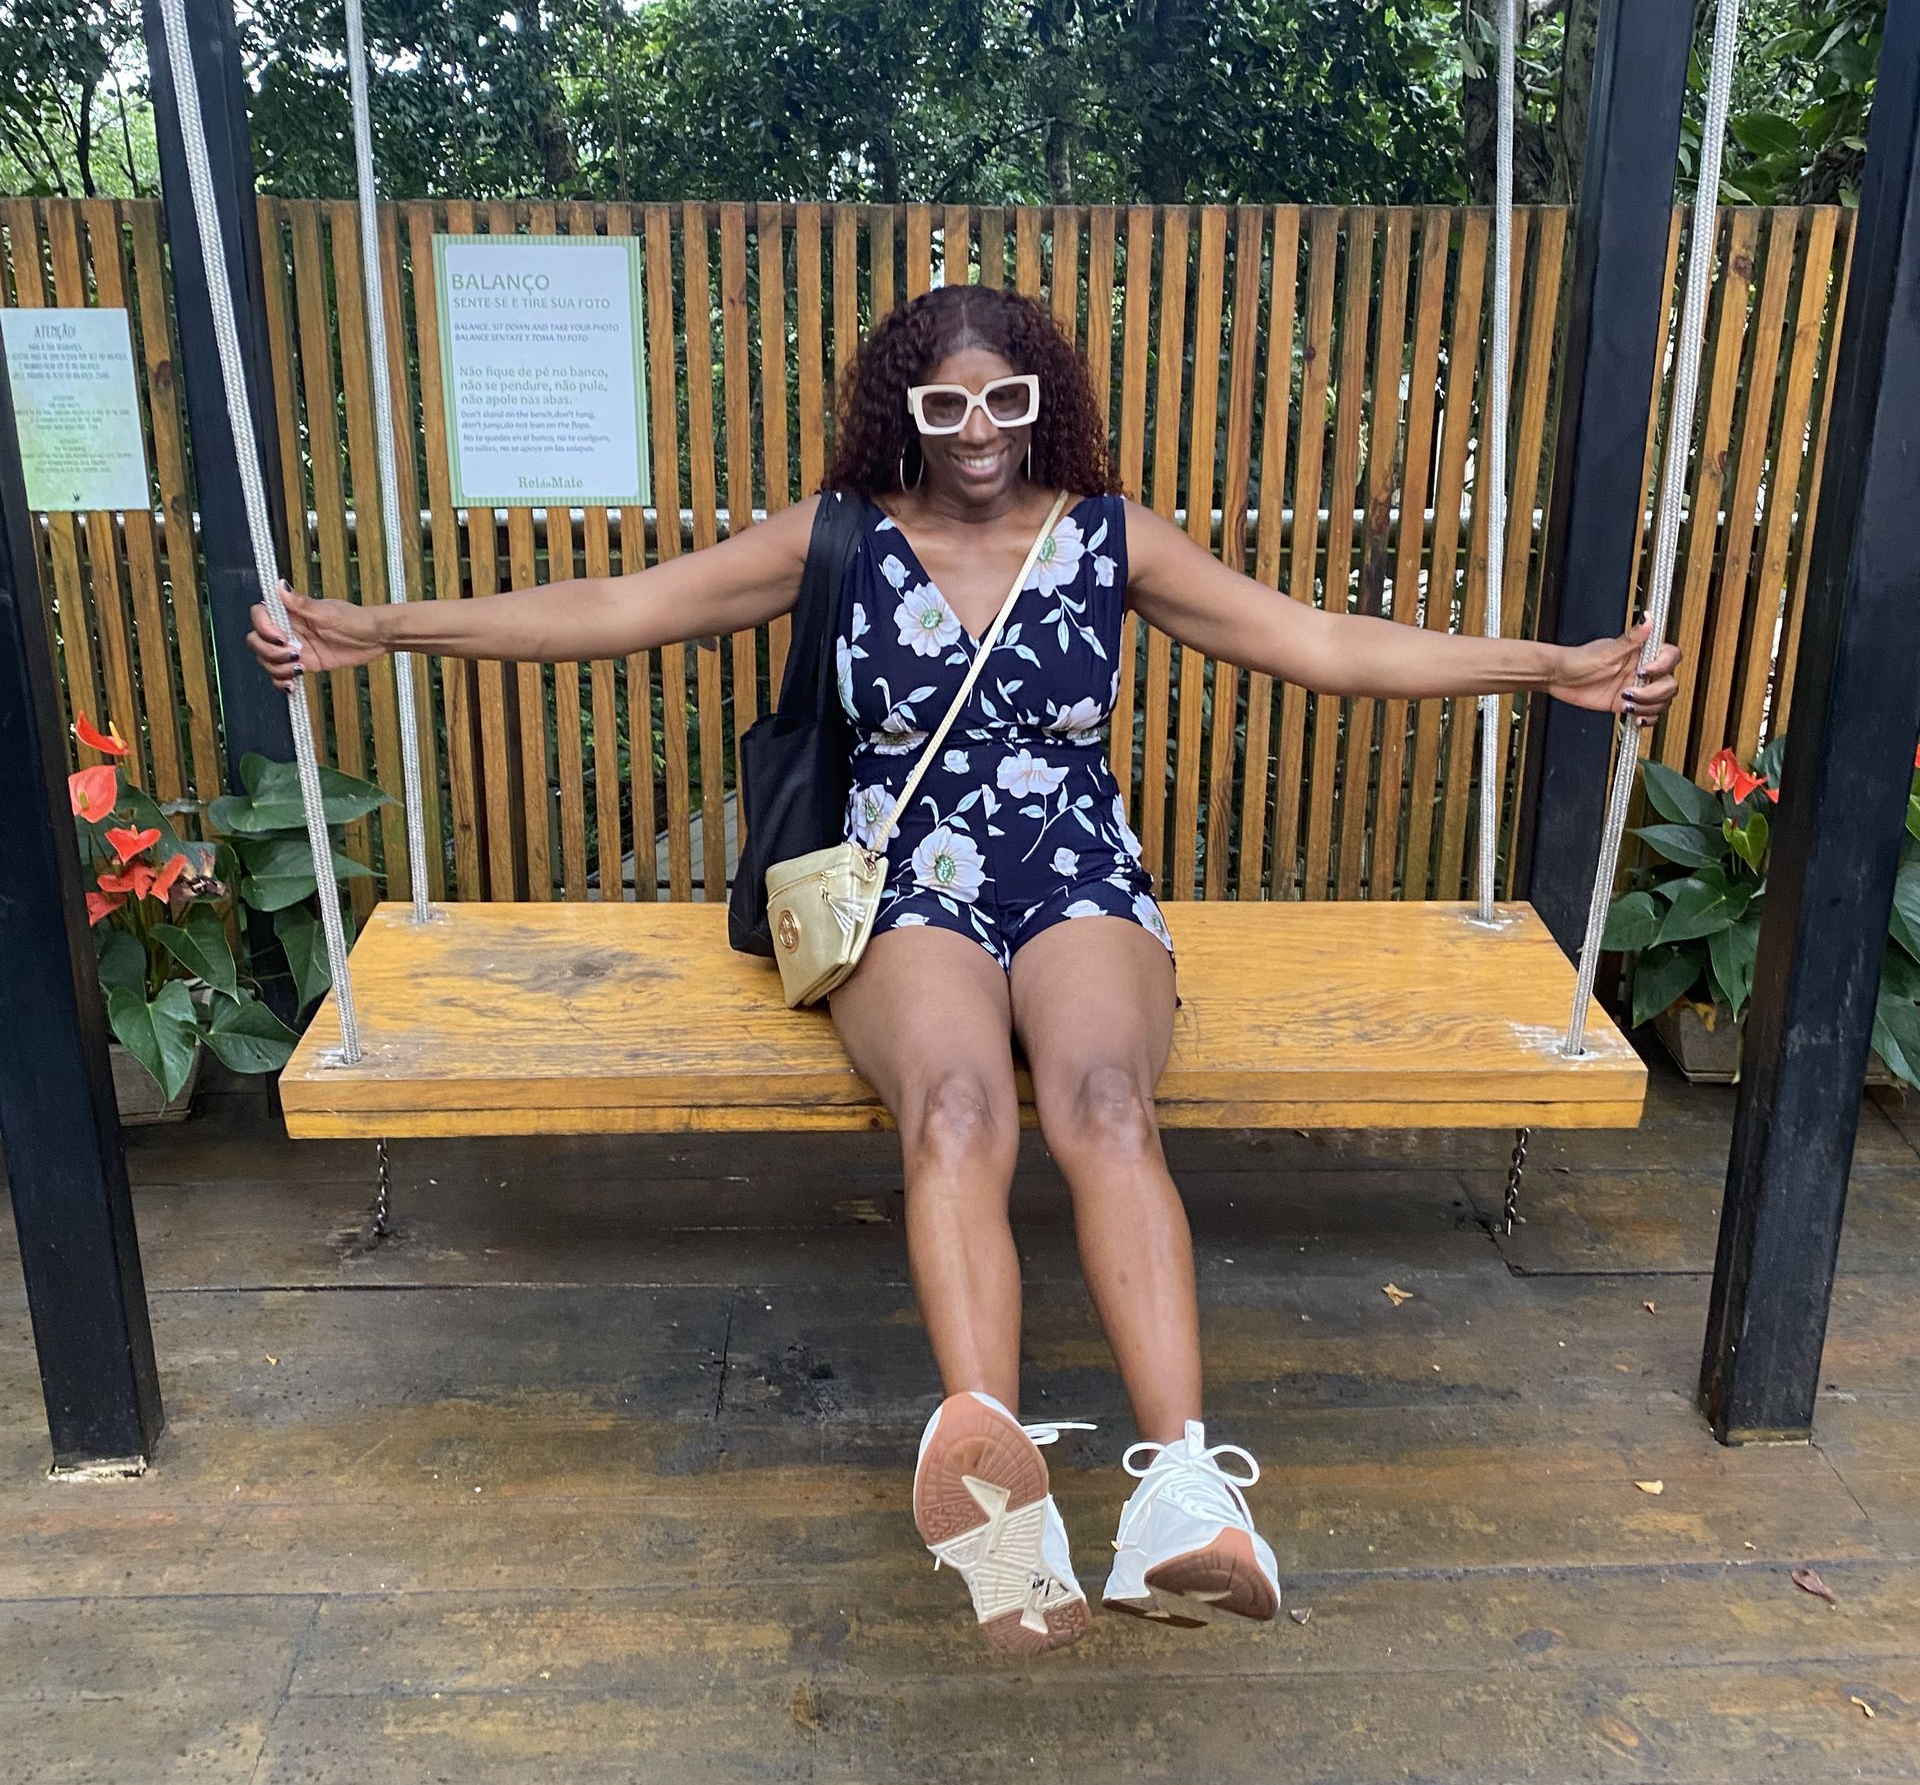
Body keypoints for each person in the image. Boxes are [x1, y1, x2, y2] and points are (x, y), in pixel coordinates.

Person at [251, 284, 1679, 1655]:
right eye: (947, 405)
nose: (980, 429)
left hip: (1075, 871)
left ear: (1044, 400)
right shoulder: (840, 537)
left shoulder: (1108, 537)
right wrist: (378, 632)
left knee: (1106, 1102)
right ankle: (1002, 1523)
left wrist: (1549, 669)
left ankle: (1181, 1495)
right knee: (955, 1108)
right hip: (901, 882)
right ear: (907, 411)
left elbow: (1320, 642)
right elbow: (617, 608)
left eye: (1006, 398)